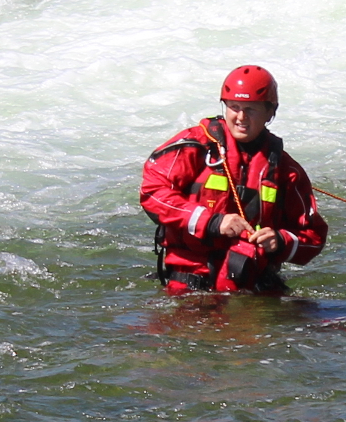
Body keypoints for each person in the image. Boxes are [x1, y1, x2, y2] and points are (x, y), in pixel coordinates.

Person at [140, 65, 328, 295]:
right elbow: (152, 193)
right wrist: (211, 222)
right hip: (190, 287)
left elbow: (314, 237)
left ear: (270, 112)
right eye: (234, 107)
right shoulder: (196, 147)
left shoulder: (286, 170)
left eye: (251, 109)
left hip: (252, 287)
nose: (241, 117)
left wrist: (280, 240)